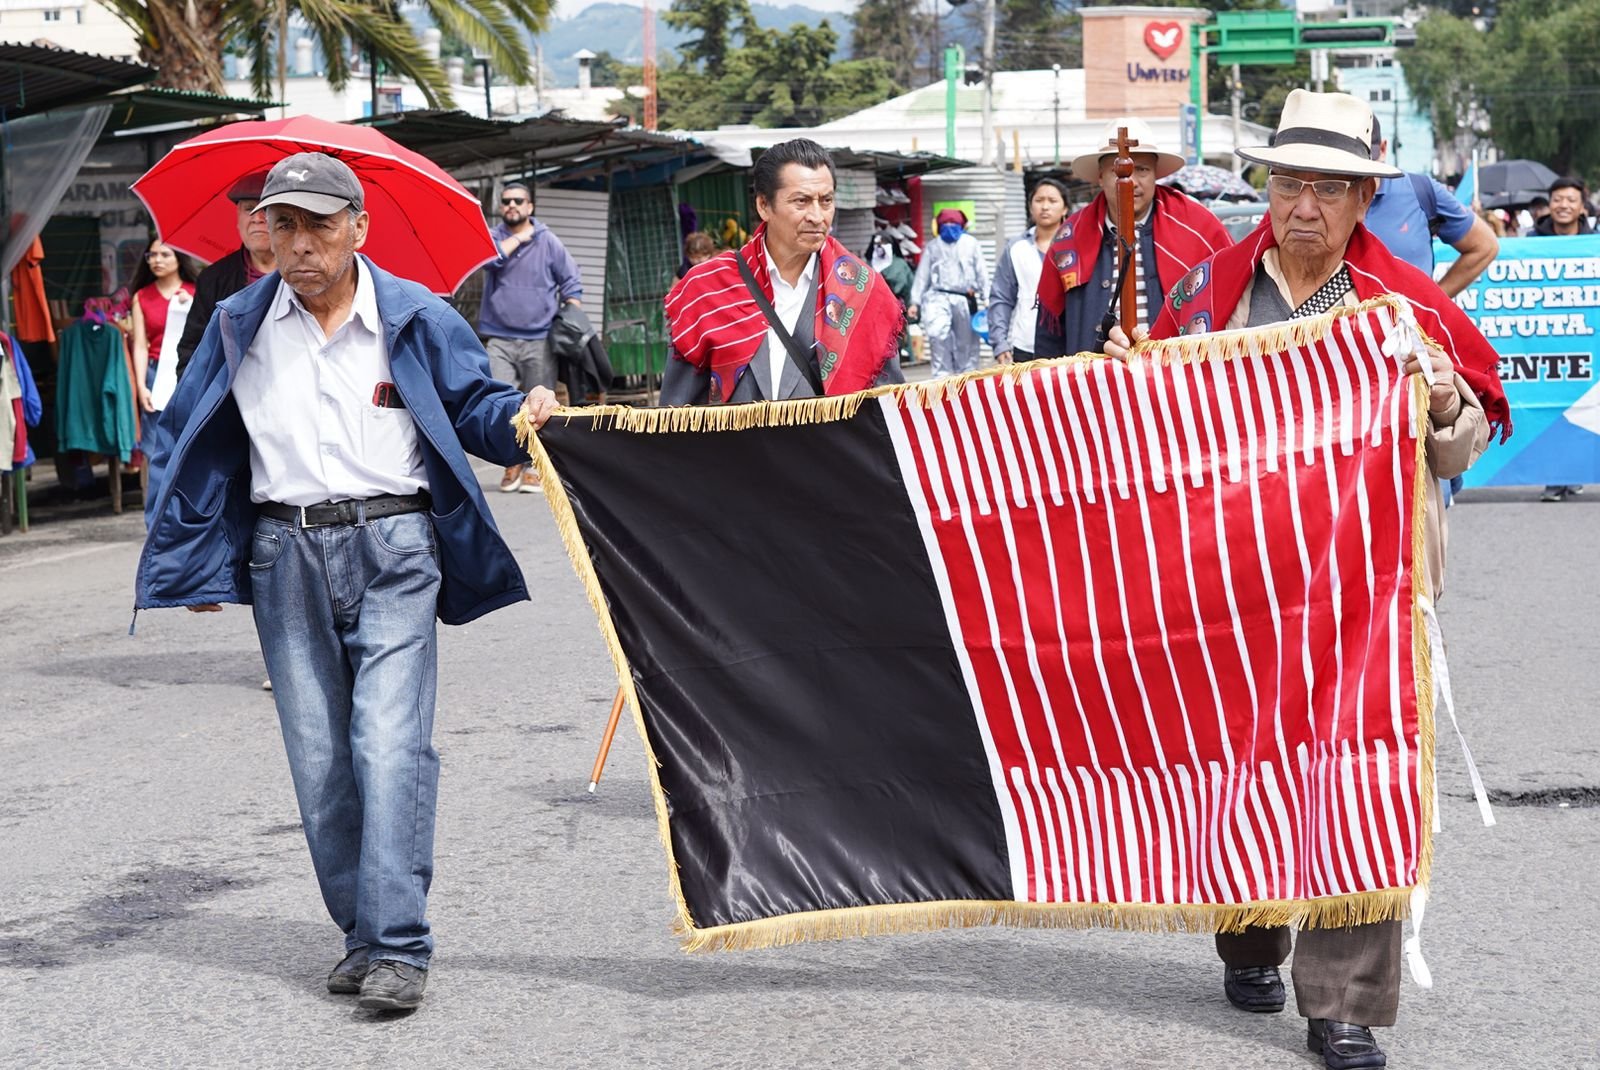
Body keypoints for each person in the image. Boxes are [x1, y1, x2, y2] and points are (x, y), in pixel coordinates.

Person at [1105, 91, 1509, 1069]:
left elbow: (1461, 446)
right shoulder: (1205, 295)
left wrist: (1443, 397)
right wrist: (1127, 379)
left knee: (1359, 778)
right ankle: (1247, 930)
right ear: (1267, 188)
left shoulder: (1409, 305)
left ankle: (1342, 1002)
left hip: (1367, 592)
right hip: (1233, 582)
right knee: (1241, 765)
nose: (1303, 204)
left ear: (1365, 197)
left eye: (1329, 187)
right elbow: (1146, 443)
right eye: (1289, 181)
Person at [134, 152, 559, 1014]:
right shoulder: (236, 322)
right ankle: (363, 933)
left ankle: (399, 944)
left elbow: (476, 405)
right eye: (281, 224)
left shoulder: (415, 315)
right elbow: (177, 440)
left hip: (397, 544)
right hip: (281, 552)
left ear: (359, 228)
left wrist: (523, 418)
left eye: (320, 224)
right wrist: (189, 547)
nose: (300, 243)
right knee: (322, 763)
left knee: (390, 745)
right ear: (262, 235)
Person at [660, 138, 904, 405]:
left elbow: (886, 409)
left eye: (826, 201)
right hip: (735, 447)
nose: (817, 216)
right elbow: (677, 413)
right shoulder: (707, 287)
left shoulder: (863, 289)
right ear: (764, 205)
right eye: (801, 201)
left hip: (825, 447)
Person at [1034, 116, 1232, 358]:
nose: (1131, 181)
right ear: (1100, 176)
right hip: (1094, 382)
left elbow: (1231, 305)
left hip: (1177, 378)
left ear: (1156, 174)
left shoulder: (1199, 227)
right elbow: (1050, 333)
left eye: (1142, 170)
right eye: (1118, 170)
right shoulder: (1069, 238)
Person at [478, 180, 582, 494]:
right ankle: (512, 460)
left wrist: (569, 320)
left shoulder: (548, 241)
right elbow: (490, 259)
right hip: (499, 338)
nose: (512, 205)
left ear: (530, 207)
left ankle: (536, 465)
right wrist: (521, 237)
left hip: (539, 337)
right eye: (507, 201)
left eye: (518, 201)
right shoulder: (494, 236)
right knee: (500, 402)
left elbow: (572, 283)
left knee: (540, 406)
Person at [1362, 118, 1498, 298]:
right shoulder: (1322, 199)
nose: (1363, 172)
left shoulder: (1419, 189)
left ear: (1384, 149)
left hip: (1409, 324)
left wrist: (1434, 302)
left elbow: (1485, 245)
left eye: (1368, 160)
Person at [174, 171, 275, 375]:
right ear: (238, 221)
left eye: (267, 209)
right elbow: (192, 353)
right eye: (249, 209)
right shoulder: (213, 280)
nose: (257, 218)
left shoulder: (306, 276)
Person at [1530, 176, 1591, 501]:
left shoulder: (1594, 242)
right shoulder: (1528, 241)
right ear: (1549, 204)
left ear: (1582, 207)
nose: (1563, 205)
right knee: (1547, 406)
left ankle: (1577, 472)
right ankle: (1554, 477)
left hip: (1585, 342)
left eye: (1570, 200)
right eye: (1557, 199)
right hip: (1543, 341)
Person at [988, 177, 1070, 363]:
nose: (1045, 207)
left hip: (1069, 344)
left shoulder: (1075, 246)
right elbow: (1002, 296)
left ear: (1065, 208)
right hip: (1025, 344)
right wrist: (999, 342)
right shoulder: (1017, 248)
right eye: (1039, 200)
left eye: (1052, 201)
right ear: (1031, 206)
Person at [907, 207, 989, 377]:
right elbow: (922, 275)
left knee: (966, 344)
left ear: (962, 225)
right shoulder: (933, 246)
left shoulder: (971, 244)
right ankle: (941, 381)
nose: (950, 226)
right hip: (938, 297)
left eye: (954, 223)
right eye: (946, 223)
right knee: (938, 337)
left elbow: (982, 272)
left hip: (965, 299)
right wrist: (915, 302)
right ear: (939, 226)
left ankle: (967, 381)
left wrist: (986, 297)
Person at [129, 239, 198, 418]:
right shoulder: (141, 297)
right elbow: (140, 346)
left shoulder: (197, 292)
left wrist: (191, 305)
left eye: (165, 255)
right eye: (152, 255)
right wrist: (141, 386)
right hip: (155, 372)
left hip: (190, 369)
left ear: (179, 259)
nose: (157, 260)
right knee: (155, 436)